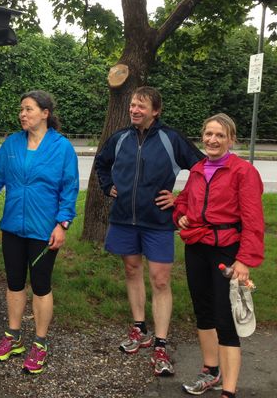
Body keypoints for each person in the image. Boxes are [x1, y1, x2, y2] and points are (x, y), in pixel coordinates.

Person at [94, 86, 203, 377]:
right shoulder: (120, 138)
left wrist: (180, 199)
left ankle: (160, 344)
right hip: (124, 219)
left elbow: (203, 169)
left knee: (161, 280)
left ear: (155, 111)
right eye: (132, 105)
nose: (134, 110)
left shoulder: (171, 139)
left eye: (141, 106)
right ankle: (140, 328)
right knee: (132, 270)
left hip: (157, 221)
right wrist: (107, 186)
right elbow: (101, 164)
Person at [0, 90, 79, 375]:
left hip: (44, 229)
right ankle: (14, 336)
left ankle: (40, 343)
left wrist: (62, 223)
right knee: (14, 283)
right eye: (21, 109)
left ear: (45, 113)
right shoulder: (12, 144)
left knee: (41, 285)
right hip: (13, 227)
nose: (22, 114)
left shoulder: (62, 147)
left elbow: (69, 188)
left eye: (28, 109)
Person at [174, 113, 264, 398]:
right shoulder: (198, 168)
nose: (212, 140)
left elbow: (253, 220)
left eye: (220, 135)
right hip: (197, 247)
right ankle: (210, 372)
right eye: (209, 134)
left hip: (227, 250)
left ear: (231, 140)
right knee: (204, 312)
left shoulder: (243, 172)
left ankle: (229, 391)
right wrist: (181, 215)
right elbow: (184, 201)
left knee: (225, 319)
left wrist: (245, 260)